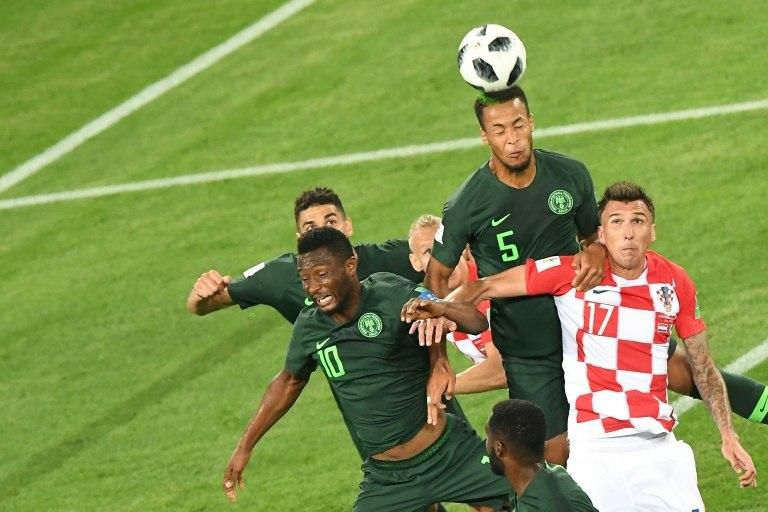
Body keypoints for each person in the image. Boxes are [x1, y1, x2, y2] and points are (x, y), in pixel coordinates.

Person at [425, 87, 768, 467]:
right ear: (484, 136)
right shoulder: (467, 204)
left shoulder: (569, 175)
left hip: (594, 319)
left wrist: (592, 249)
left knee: (692, 374)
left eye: (519, 126)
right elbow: (437, 279)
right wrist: (439, 361)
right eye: (500, 130)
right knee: (555, 460)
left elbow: (597, 237)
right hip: (530, 347)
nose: (512, 139)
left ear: (532, 122)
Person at [407, 182, 757, 510]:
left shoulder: (675, 282)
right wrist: (441, 307)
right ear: (601, 234)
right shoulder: (570, 273)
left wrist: (728, 434)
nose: (629, 231)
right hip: (596, 451)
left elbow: (703, 368)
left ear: (653, 230)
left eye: (639, 220)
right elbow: (483, 287)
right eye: (617, 222)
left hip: (661, 449)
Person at [222, 227, 510, 511]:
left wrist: (441, 309)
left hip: (450, 455)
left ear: (350, 265)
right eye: (305, 279)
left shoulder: (390, 293)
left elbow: (475, 321)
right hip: (389, 480)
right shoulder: (309, 327)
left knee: (535, 494)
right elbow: (288, 382)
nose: (313, 288)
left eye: (321, 275)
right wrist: (245, 446)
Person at [411, 213, 768, 421]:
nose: (440, 260)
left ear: (464, 251)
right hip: (573, 371)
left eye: (445, 250)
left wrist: (445, 385)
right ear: (416, 263)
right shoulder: (438, 300)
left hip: (608, 339)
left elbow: (501, 366)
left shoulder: (481, 296)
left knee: (698, 379)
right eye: (427, 253)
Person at [486, 399, 596, 511]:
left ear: (499, 448)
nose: (486, 444)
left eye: (488, 438)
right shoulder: (553, 473)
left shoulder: (541, 505)